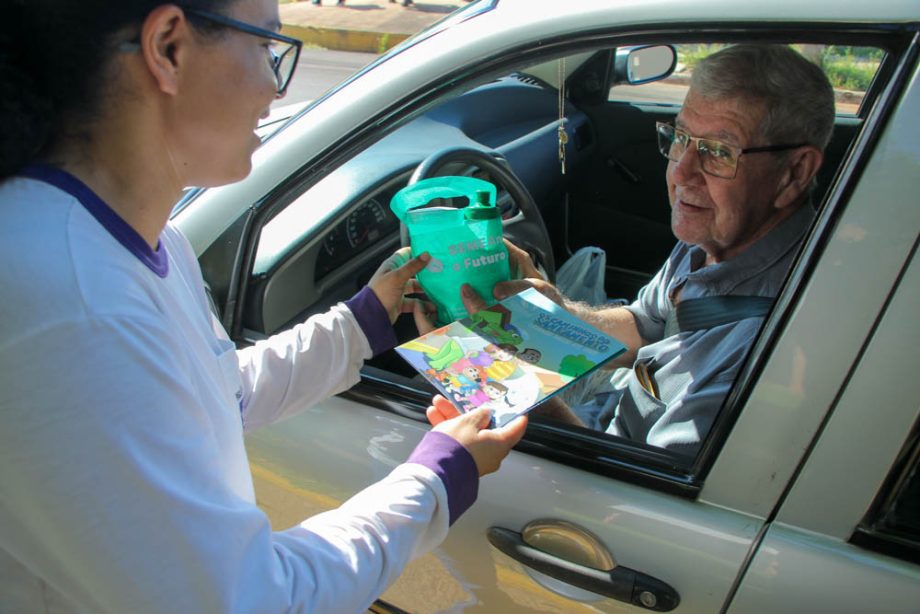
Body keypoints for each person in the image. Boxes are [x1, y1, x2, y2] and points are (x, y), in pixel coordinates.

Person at [0, 2, 526, 612]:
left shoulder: (139, 239)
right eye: (266, 47)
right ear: (169, 48)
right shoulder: (73, 306)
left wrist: (362, 322)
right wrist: (435, 477)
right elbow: (250, 599)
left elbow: (218, 395)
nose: (276, 85)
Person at [446, 44, 834, 456]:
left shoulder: (761, 352)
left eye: (719, 152)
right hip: (610, 414)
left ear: (795, 172)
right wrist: (551, 314)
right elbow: (646, 323)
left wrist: (500, 382)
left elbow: (629, 500)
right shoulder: (720, 235)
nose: (681, 171)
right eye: (681, 137)